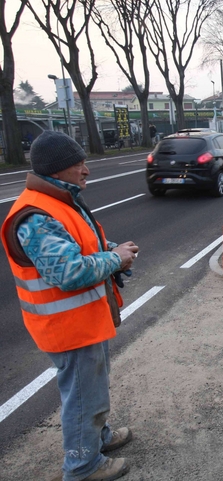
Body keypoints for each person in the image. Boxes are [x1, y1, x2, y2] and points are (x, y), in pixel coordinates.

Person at [1, 131, 139, 480]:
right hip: (68, 328)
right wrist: (114, 258)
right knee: (83, 400)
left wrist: (111, 249)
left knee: (92, 391)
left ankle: (97, 440)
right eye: (78, 163)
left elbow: (81, 244)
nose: (86, 169)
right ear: (57, 169)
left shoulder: (61, 200)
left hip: (84, 321)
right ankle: (82, 465)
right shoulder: (37, 216)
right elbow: (68, 272)